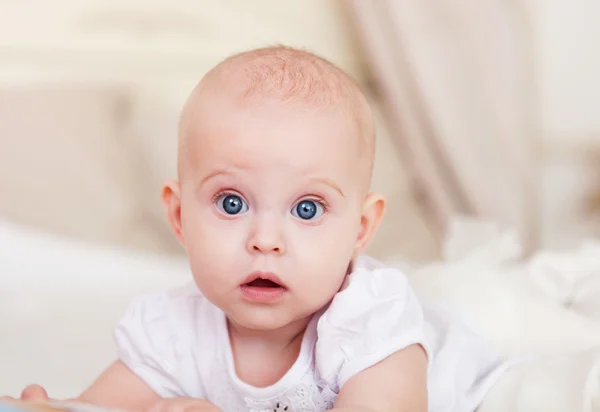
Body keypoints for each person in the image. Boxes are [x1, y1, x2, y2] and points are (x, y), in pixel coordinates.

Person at [12, 46, 511, 412]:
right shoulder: (169, 331)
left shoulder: (369, 317)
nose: (265, 240)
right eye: (232, 203)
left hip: (487, 391)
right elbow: (101, 408)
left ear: (361, 229)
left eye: (308, 209)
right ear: (180, 216)